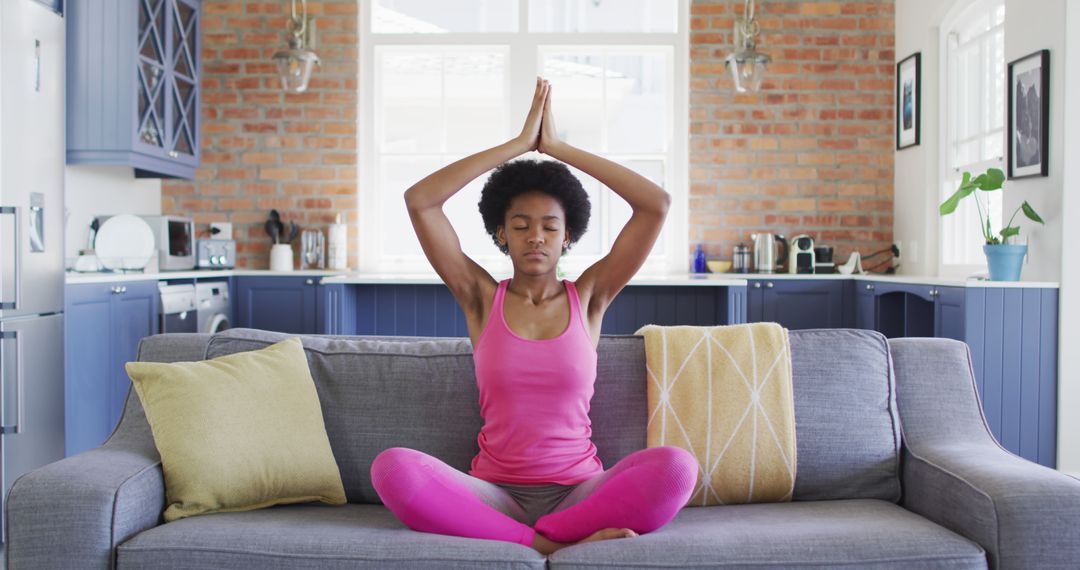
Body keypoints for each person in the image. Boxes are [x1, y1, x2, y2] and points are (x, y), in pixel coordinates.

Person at [370, 77, 698, 556]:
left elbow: (655, 206)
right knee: (391, 468)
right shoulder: (480, 297)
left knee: (676, 468)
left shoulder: (590, 297)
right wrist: (517, 146)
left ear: (568, 236)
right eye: (521, 226)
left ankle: (539, 539)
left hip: (579, 491)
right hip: (494, 495)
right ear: (501, 234)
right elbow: (420, 200)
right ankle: (549, 543)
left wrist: (559, 149)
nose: (536, 237)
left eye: (550, 226)